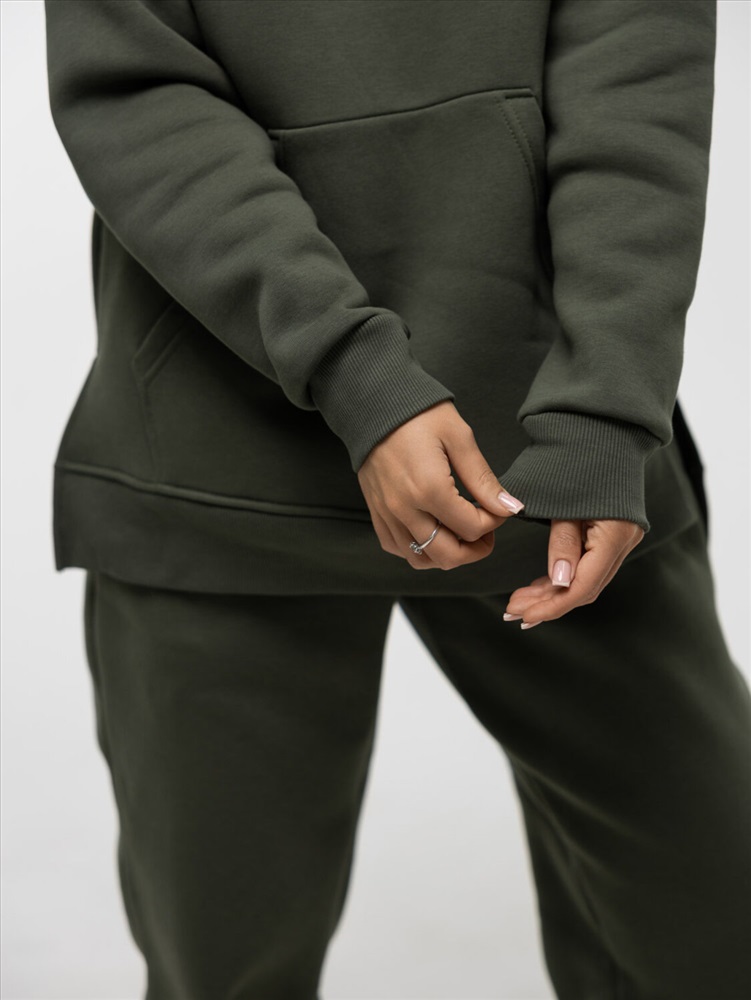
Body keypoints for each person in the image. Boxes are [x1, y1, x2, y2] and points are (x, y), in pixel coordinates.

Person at [44, 1, 750, 997]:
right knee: (222, 965)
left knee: (713, 926)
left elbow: (637, 74)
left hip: (548, 454)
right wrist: (356, 371)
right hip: (219, 460)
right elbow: (134, 88)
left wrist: (601, 414)